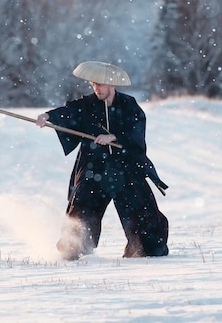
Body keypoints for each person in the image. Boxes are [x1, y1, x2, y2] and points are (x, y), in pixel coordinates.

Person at [36, 61, 169, 260]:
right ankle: (74, 248)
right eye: (94, 84)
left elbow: (136, 130)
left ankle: (144, 247)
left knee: (140, 208)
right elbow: (70, 111)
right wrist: (48, 116)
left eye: (101, 85)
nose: (97, 88)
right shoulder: (87, 104)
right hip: (93, 167)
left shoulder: (129, 105)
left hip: (126, 167)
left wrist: (114, 137)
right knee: (82, 206)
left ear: (112, 85)